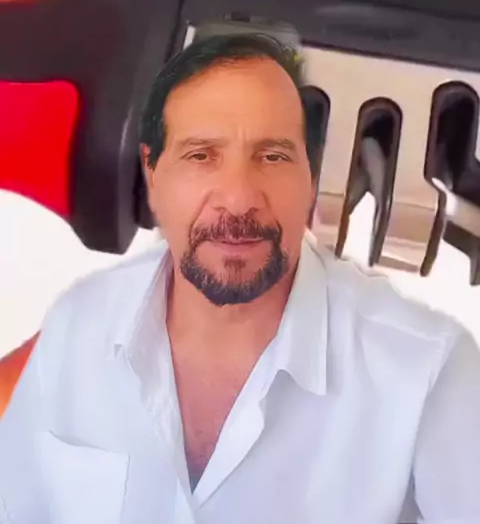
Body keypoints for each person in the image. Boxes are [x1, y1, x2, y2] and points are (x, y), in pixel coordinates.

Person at [1, 26, 480, 524]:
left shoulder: (428, 372)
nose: (236, 198)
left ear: (310, 178)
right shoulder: (77, 330)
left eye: (271, 157)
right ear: (153, 173)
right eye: (201, 156)